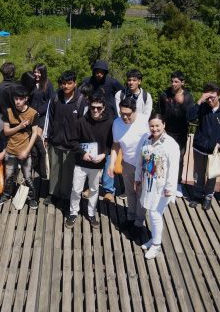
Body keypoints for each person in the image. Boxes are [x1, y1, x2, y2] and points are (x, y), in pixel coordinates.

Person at [135, 113, 180, 259]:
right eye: (152, 126)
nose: (154, 129)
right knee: (151, 211)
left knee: (155, 214)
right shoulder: (145, 139)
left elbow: (174, 168)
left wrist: (170, 188)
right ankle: (154, 239)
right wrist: (137, 178)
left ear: (164, 125)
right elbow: (139, 160)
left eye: (157, 126)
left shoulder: (170, 144)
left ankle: (156, 245)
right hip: (148, 183)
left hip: (162, 187)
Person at [188, 82, 220, 211]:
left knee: (212, 175)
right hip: (199, 148)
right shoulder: (203, 107)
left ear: (219, 95)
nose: (210, 100)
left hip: (214, 150)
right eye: (207, 97)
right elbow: (190, 117)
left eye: (213, 97)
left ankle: (208, 197)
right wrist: (199, 101)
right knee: (198, 174)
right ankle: (197, 195)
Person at [66, 95, 113, 229]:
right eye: (93, 107)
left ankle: (91, 213)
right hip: (81, 163)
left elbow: (111, 144)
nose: (95, 110)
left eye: (99, 108)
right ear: (89, 107)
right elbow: (73, 142)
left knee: (94, 189)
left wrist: (104, 154)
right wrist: (83, 153)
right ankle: (73, 212)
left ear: (103, 108)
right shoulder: (81, 122)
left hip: (97, 163)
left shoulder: (109, 123)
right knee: (76, 189)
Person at [43, 70, 88, 206]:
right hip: (55, 140)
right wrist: (46, 136)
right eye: (63, 83)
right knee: (54, 169)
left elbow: (84, 124)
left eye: (69, 83)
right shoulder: (55, 98)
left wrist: (81, 143)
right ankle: (53, 194)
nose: (66, 86)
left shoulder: (81, 101)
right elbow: (49, 118)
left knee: (68, 172)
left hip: (72, 144)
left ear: (75, 83)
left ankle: (65, 196)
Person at [83, 60, 125, 203]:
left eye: (102, 72)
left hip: (110, 122)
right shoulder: (87, 81)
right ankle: (90, 186)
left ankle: (108, 190)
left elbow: (124, 93)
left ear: (105, 72)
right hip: (92, 121)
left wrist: (119, 111)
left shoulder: (112, 82)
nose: (99, 74)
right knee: (92, 153)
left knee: (108, 155)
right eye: (97, 71)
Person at [108, 98, 150, 239]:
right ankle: (131, 218)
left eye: (128, 114)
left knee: (141, 195)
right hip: (127, 163)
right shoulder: (117, 123)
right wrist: (112, 164)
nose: (125, 117)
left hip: (144, 166)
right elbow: (116, 144)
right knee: (130, 192)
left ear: (135, 111)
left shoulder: (145, 121)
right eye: (122, 114)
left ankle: (139, 223)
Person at [0, 87, 39, 209]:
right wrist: (19, 127)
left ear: (26, 99)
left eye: (20, 99)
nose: (18, 101)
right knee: (9, 175)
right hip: (11, 150)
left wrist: (27, 150)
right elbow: (6, 132)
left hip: (25, 151)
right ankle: (6, 195)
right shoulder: (8, 112)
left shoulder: (33, 113)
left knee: (28, 176)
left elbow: (35, 133)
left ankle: (32, 198)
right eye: (16, 99)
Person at [157, 71, 195, 198]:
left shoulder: (188, 97)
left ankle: (177, 183)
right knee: (162, 157)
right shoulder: (164, 94)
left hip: (180, 133)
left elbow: (191, 116)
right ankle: (162, 182)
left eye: (176, 81)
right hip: (165, 132)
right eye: (172, 81)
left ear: (182, 82)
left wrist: (182, 104)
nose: (173, 84)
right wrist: (159, 128)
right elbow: (159, 112)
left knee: (179, 158)